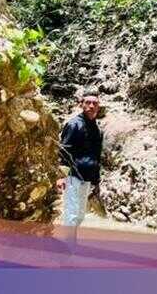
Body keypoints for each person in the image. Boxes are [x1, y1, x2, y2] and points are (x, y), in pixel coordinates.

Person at [58, 90, 103, 236]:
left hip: (87, 177)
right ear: (81, 104)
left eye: (95, 103)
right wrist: (61, 176)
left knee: (80, 215)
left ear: (98, 107)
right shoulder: (73, 125)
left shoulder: (96, 128)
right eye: (88, 103)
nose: (91, 106)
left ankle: (70, 243)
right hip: (73, 176)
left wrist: (96, 180)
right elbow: (64, 151)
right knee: (71, 214)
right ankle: (69, 246)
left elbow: (96, 155)